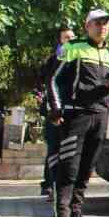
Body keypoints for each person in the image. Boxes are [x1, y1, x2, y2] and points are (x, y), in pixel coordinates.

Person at [46, 8, 109, 217]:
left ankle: (76, 214)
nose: (102, 28)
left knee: (87, 168)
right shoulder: (72, 49)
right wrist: (56, 108)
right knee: (69, 167)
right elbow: (53, 79)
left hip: (100, 115)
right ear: (87, 26)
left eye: (106, 24)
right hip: (75, 115)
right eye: (97, 23)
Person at [36, 25, 74, 198]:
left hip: (71, 112)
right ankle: (50, 184)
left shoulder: (76, 60)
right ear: (60, 40)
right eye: (66, 38)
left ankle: (64, 188)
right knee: (53, 148)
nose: (70, 41)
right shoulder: (53, 60)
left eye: (72, 37)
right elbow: (46, 82)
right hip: (54, 111)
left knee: (68, 150)